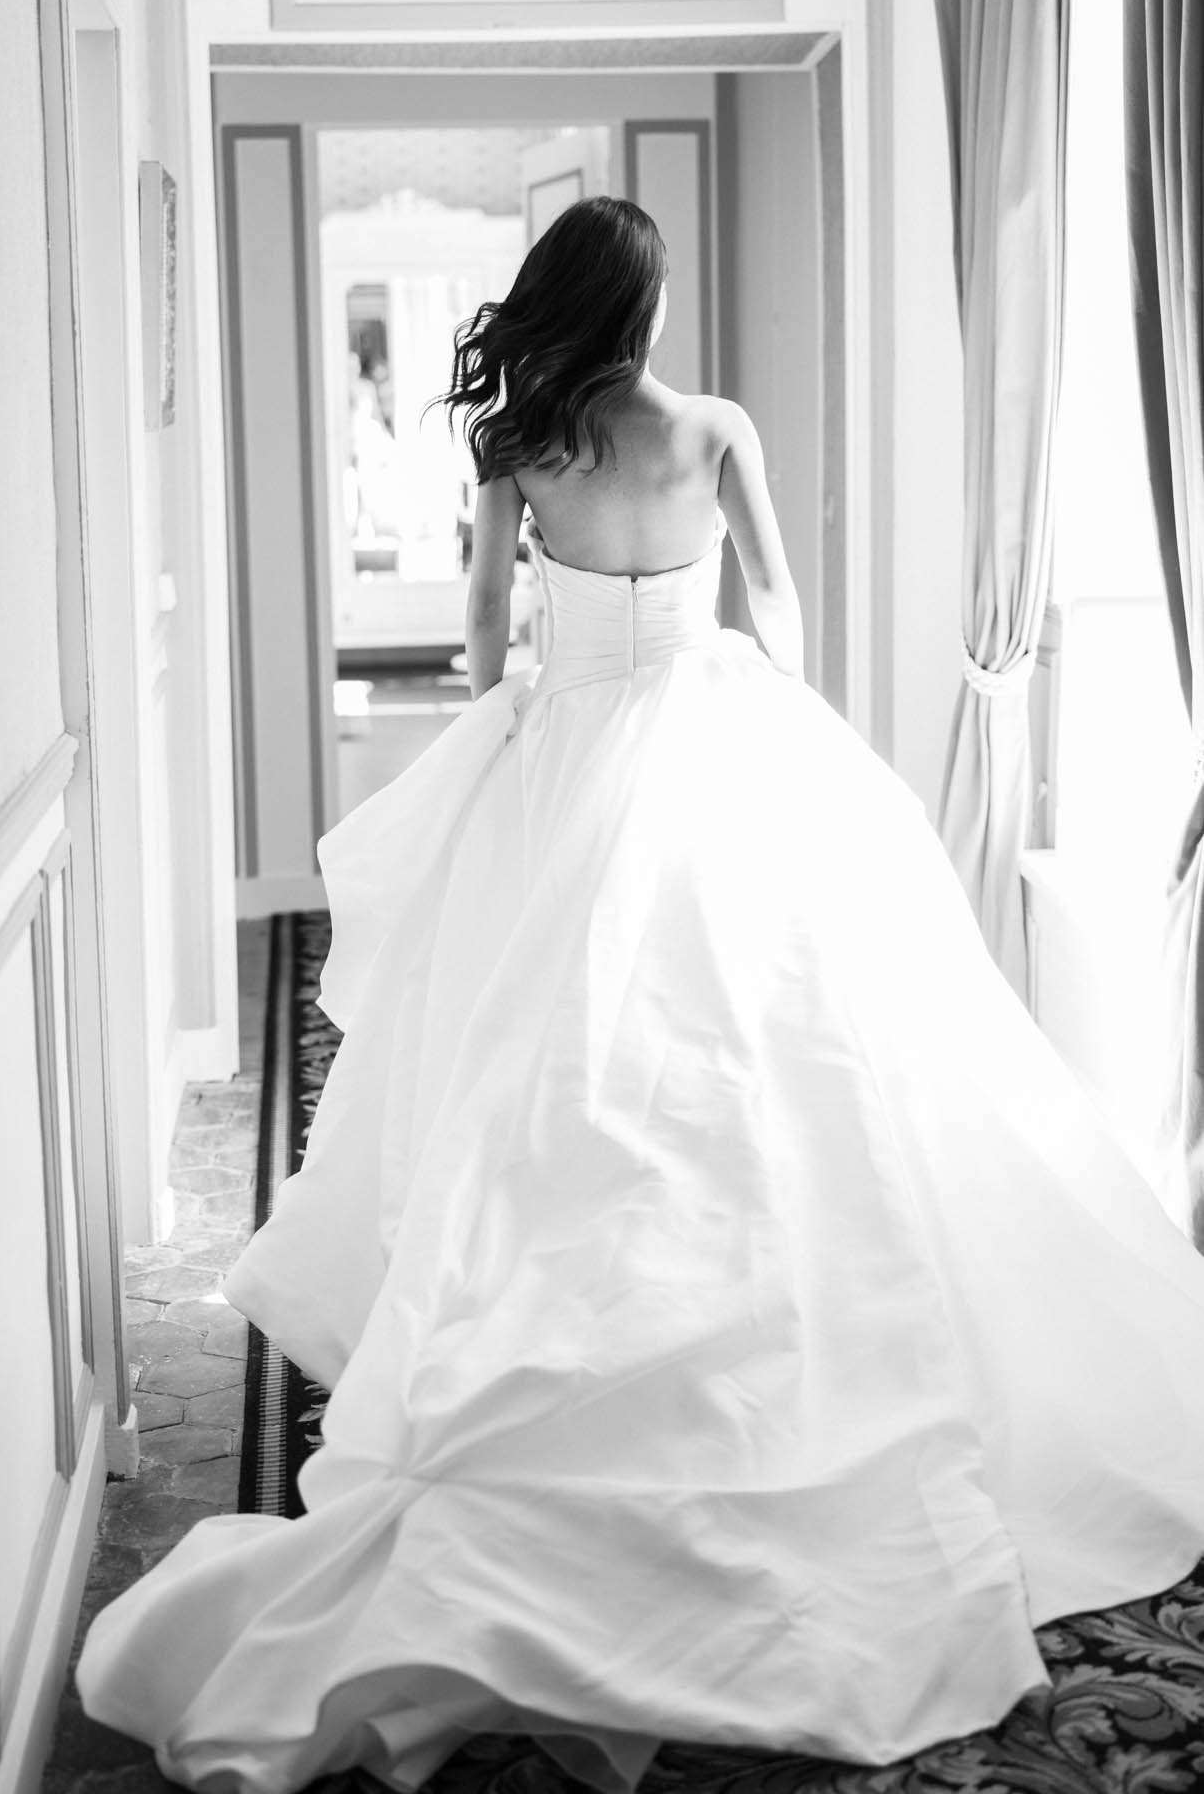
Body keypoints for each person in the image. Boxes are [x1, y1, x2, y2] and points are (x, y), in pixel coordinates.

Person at [76, 196, 1204, 1792]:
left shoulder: (516, 440)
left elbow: (482, 629)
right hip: (712, 730)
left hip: (574, 740)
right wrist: (779, 720)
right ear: (646, 304)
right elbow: (781, 612)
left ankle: (556, 1347)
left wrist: (520, 728)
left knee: (549, 1061)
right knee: (759, 1049)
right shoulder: (712, 426)